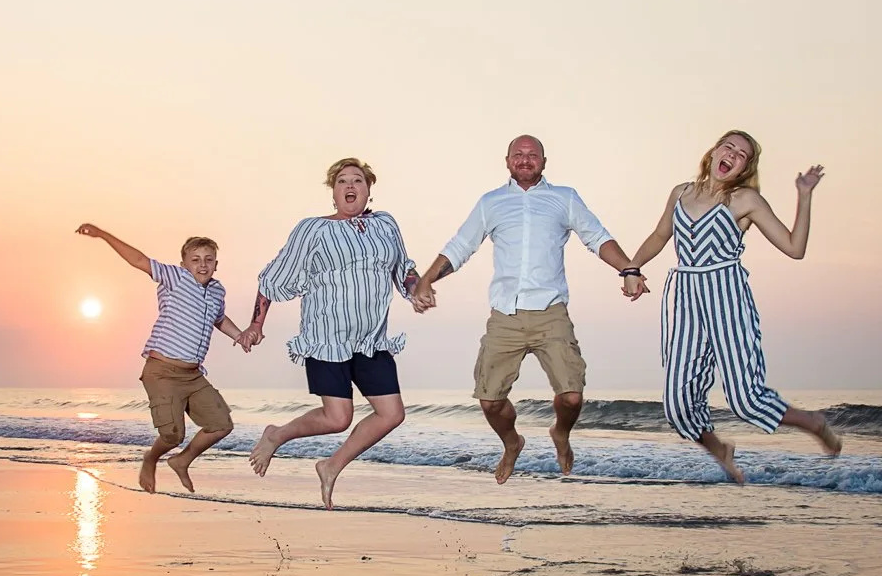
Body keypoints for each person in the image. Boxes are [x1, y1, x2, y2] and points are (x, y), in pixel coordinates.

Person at [411, 135, 645, 482]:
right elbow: (461, 245)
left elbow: (596, 236)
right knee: (490, 401)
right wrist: (427, 280)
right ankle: (512, 443)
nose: (525, 159)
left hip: (551, 311)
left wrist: (628, 269)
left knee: (571, 397)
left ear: (544, 162)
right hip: (505, 314)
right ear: (507, 161)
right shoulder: (491, 203)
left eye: (532, 155)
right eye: (518, 155)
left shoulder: (564, 198)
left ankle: (560, 433)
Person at [625, 130, 843, 482]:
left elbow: (794, 247)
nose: (733, 155)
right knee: (677, 405)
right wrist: (632, 269)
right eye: (728, 147)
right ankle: (719, 449)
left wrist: (804, 195)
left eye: (742, 154)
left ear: (744, 168)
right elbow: (660, 236)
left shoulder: (745, 201)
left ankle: (814, 423)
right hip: (684, 299)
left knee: (745, 400)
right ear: (713, 152)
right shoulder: (681, 193)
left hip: (727, 298)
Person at [243, 158, 422, 508]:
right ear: (334, 192)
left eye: (358, 180)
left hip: (370, 339)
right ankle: (276, 435)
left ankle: (331, 466)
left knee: (392, 413)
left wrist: (417, 291)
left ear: (369, 190)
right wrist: (256, 324)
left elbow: (404, 269)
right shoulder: (312, 230)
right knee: (338, 418)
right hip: (327, 338)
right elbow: (274, 277)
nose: (350, 186)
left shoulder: (386, 225)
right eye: (342, 181)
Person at [75, 225, 254, 493]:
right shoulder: (176, 278)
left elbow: (219, 319)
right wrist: (103, 234)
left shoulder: (217, 290)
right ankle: (151, 458)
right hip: (162, 371)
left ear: (216, 264)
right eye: (195, 260)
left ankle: (182, 461)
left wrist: (239, 335)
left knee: (221, 425)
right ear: (183, 264)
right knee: (172, 435)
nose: (202, 265)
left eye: (208, 259)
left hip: (193, 375)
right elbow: (138, 260)